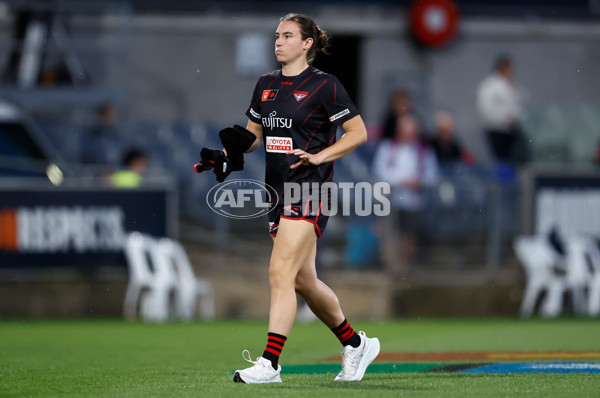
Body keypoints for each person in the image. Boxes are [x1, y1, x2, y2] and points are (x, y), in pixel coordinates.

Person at [196, 13, 380, 384]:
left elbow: (357, 133)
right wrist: (226, 156)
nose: (278, 41)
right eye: (277, 35)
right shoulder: (265, 85)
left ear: (307, 43)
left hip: (310, 187)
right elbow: (253, 138)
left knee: (279, 271)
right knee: (303, 282)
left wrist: (320, 156)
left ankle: (270, 364)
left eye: (287, 36)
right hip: (277, 191)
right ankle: (356, 344)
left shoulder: (325, 86)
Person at [372, 114, 438, 270]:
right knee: (389, 232)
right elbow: (380, 171)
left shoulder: (424, 151)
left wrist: (418, 181)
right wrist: (402, 180)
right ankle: (390, 264)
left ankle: (405, 264)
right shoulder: (388, 147)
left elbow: (432, 175)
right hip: (391, 199)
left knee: (409, 234)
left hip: (414, 201)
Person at [477, 55, 525, 164]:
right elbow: (486, 107)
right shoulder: (490, 85)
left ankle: (509, 179)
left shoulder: (512, 84)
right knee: (500, 159)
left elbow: (519, 102)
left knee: (511, 159)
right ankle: (502, 180)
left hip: (512, 129)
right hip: (496, 129)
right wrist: (502, 119)